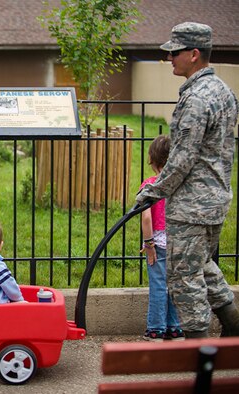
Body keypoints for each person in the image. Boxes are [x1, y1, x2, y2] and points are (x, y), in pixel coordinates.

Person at [136, 22, 239, 338]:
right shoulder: (224, 92)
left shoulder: (195, 99)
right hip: (216, 201)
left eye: (175, 52)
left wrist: (153, 191)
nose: (169, 58)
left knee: (183, 277)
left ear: (194, 54)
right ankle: (234, 329)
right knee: (202, 265)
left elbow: (181, 159)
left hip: (192, 207)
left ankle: (199, 351)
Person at [139, 136, 184, 341]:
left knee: (158, 285)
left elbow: (146, 217)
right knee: (175, 285)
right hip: (178, 241)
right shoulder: (179, 185)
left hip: (158, 242)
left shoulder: (150, 185)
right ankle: (175, 328)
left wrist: (149, 244)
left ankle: (156, 329)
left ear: (153, 159)